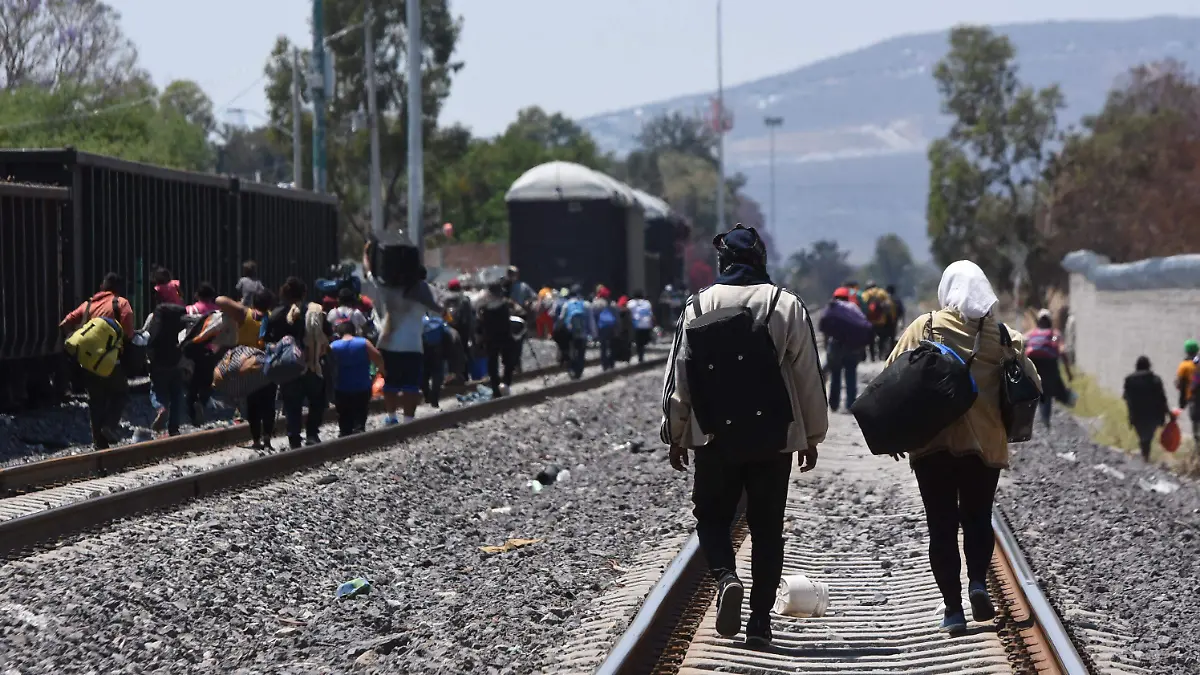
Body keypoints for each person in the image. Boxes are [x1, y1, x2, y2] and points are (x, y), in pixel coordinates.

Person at [662, 224, 828, 647]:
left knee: (712, 518)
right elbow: (808, 376)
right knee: (767, 528)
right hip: (774, 438)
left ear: (723, 262)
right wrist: (812, 435)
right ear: (761, 260)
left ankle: (725, 577)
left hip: (714, 436)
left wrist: (676, 433)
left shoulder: (697, 305)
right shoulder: (785, 304)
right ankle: (759, 620)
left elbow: (678, 375)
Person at [887, 260, 1040, 634]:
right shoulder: (1004, 337)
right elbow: (1033, 384)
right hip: (983, 448)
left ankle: (953, 610)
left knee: (940, 527)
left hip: (932, 445)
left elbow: (891, 374)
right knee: (977, 518)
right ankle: (976, 583)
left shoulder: (923, 328)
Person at [362, 242, 442, 425]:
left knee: (390, 383)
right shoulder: (424, 292)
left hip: (388, 344)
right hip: (413, 346)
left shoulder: (388, 290)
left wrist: (367, 253)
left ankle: (391, 416)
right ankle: (408, 420)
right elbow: (441, 308)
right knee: (411, 386)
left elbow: (370, 273)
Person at [59, 272, 135, 449]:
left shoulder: (88, 305)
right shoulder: (121, 303)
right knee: (120, 393)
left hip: (88, 363)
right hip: (111, 362)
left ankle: (98, 445)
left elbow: (64, 323)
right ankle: (109, 426)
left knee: (96, 401)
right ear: (118, 289)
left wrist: (73, 337)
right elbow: (129, 333)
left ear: (103, 287)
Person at [268, 277, 328, 449]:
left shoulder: (276, 314)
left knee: (292, 404)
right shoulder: (315, 312)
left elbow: (268, 340)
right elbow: (327, 335)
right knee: (317, 400)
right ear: (304, 293)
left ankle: (294, 438)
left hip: (289, 367)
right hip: (312, 364)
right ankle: (312, 434)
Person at [215, 289, 277, 449]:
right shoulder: (272, 317)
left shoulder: (245, 314)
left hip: (247, 366)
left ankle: (256, 440)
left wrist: (241, 305)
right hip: (267, 365)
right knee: (269, 403)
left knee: (253, 404)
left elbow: (220, 299)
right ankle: (267, 438)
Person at [329, 321, 386, 437]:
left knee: (344, 417)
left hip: (342, 387)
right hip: (362, 386)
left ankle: (345, 436)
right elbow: (378, 358)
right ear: (354, 331)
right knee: (360, 415)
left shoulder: (334, 346)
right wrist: (382, 372)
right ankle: (359, 435)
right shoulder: (364, 343)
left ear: (339, 333)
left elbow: (328, 366)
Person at [817, 287, 869, 411]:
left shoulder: (832, 308)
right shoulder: (854, 308)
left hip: (835, 346)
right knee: (851, 375)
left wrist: (826, 347)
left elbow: (824, 330)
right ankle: (850, 403)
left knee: (835, 376)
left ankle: (834, 404)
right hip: (853, 348)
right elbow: (862, 327)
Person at [143, 298, 188, 437]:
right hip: (176, 360)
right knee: (176, 394)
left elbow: (146, 334)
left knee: (156, 390)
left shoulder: (154, 317)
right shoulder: (182, 319)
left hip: (158, 360)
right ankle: (174, 428)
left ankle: (160, 408)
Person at [1025, 309, 1074, 428]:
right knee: (1048, 391)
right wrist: (1068, 373)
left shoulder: (1031, 333)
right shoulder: (1055, 334)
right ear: (1050, 322)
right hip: (1049, 363)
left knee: (1035, 389)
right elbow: (1062, 351)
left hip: (1032, 362)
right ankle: (1046, 418)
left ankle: (1028, 417)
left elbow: (1021, 343)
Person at [184, 282, 220, 423]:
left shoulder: (189, 310)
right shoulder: (217, 312)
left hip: (190, 350)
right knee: (208, 382)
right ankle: (201, 402)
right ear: (212, 296)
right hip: (210, 351)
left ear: (197, 295)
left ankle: (191, 412)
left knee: (191, 383)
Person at [478, 281, 521, 397]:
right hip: (504, 336)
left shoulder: (484, 307)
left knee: (492, 362)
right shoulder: (505, 304)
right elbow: (519, 310)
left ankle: (495, 387)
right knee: (508, 361)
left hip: (491, 338)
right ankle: (505, 383)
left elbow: (480, 323)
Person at [1124, 356, 1170, 462]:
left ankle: (1145, 456)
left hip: (1137, 414)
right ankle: (1146, 457)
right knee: (1148, 437)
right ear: (1149, 366)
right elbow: (1162, 398)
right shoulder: (1156, 379)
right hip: (1153, 415)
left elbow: (1126, 398)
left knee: (1143, 437)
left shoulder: (1129, 380)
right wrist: (1168, 413)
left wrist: (1130, 415)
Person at [557, 285, 595, 379]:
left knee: (571, 351)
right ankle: (579, 372)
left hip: (570, 333)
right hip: (582, 333)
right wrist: (594, 334)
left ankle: (571, 370)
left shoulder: (566, 305)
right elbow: (591, 321)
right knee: (581, 353)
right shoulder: (586, 304)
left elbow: (561, 319)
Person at [441, 278, 475, 379]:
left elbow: (442, 313)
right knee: (464, 352)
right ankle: (463, 376)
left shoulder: (445, 299)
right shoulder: (464, 299)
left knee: (450, 353)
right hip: (462, 330)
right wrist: (471, 335)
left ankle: (451, 376)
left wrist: (450, 322)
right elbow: (469, 318)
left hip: (449, 329)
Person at [859, 281, 894, 362]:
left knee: (870, 340)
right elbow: (890, 306)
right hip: (881, 321)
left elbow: (862, 308)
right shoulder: (882, 293)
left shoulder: (865, 294)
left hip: (868, 322)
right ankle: (880, 354)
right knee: (882, 339)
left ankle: (872, 357)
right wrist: (891, 319)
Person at [592, 286, 618, 371]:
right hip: (612, 326)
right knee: (612, 346)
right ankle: (611, 363)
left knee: (603, 346)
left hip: (602, 327)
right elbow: (617, 317)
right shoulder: (613, 303)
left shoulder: (596, 303)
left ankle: (604, 364)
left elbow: (594, 317)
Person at [627, 290, 655, 363]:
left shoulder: (630, 303)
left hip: (636, 326)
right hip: (646, 325)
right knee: (642, 343)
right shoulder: (647, 303)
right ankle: (641, 356)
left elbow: (627, 314)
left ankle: (638, 356)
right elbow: (651, 315)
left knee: (637, 342)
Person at [1175, 340, 1198, 410]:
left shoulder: (1184, 365)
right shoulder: (1198, 362)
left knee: (1195, 419)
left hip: (1192, 396)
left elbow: (1179, 383)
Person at [885, 284, 905, 354]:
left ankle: (881, 352)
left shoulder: (884, 299)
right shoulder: (896, 299)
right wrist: (902, 321)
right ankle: (890, 352)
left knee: (884, 337)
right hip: (894, 321)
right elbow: (902, 310)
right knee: (892, 337)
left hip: (884, 321)